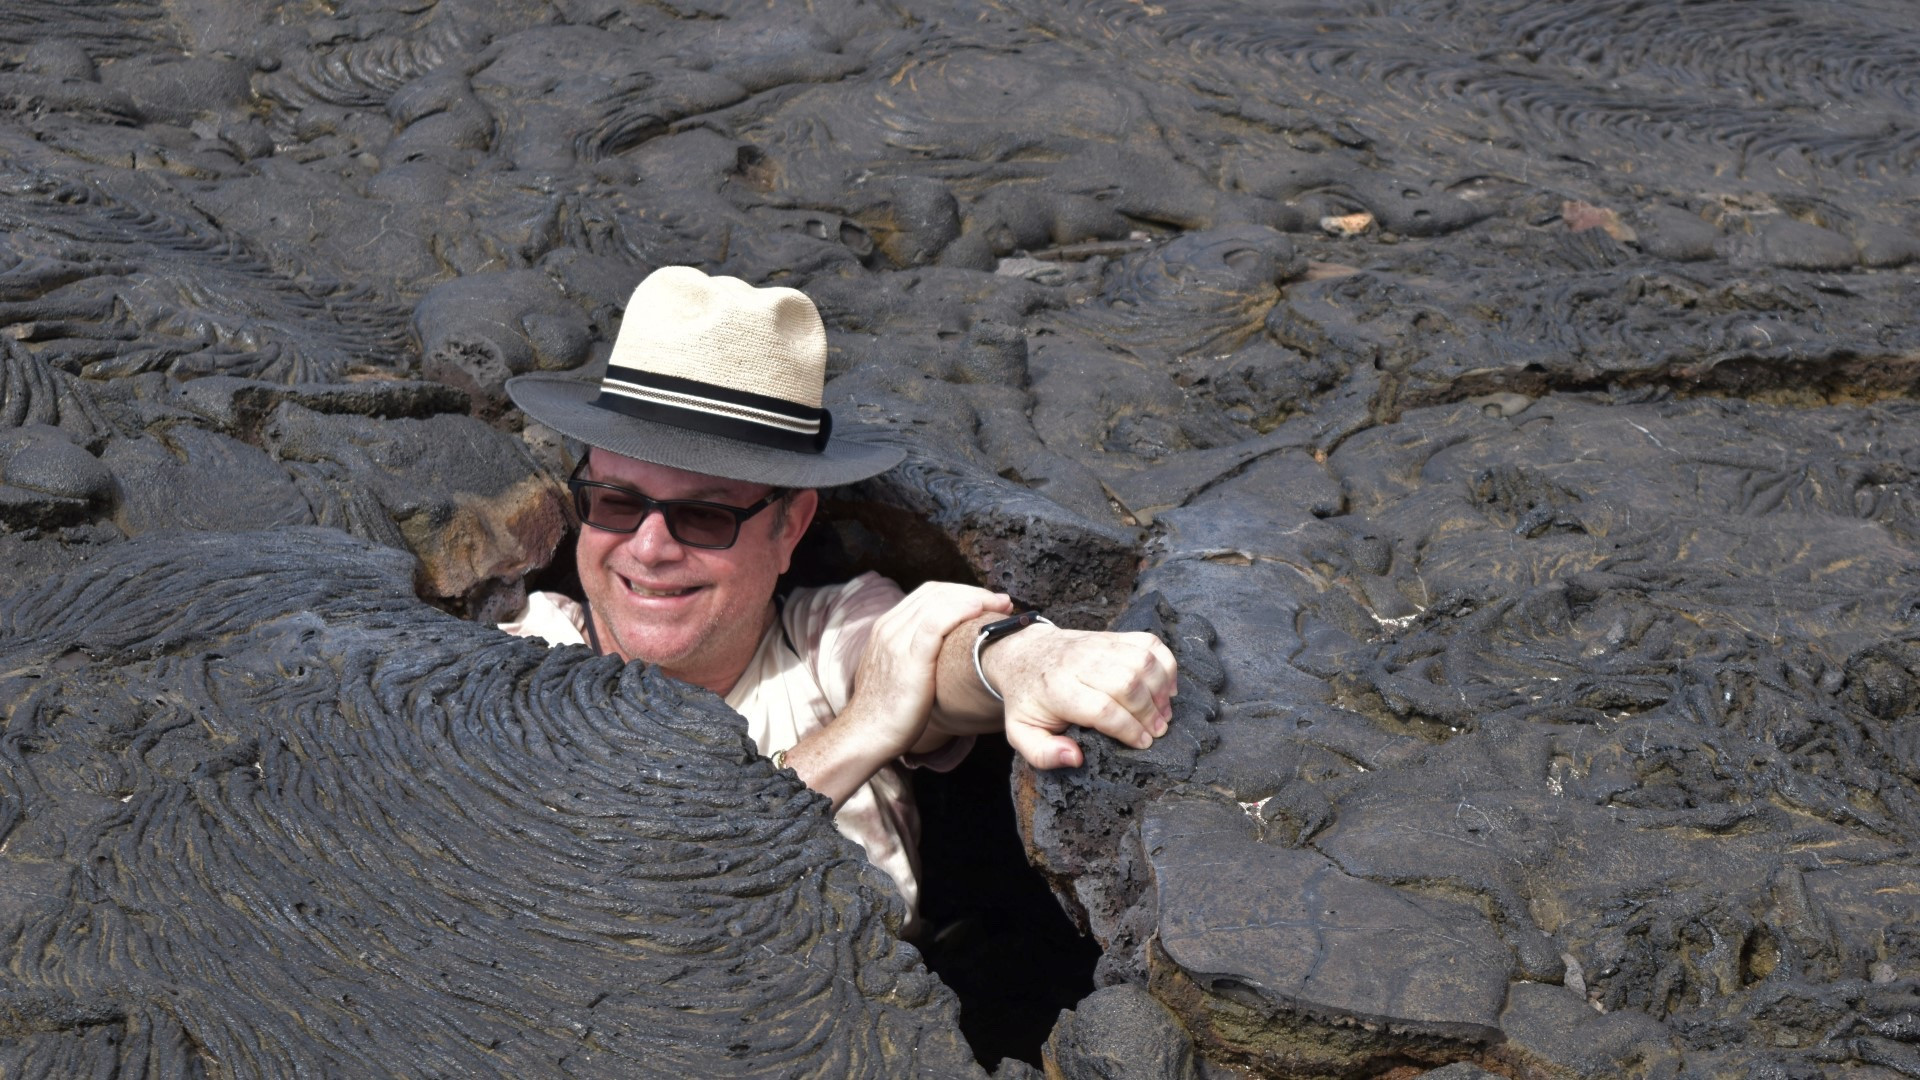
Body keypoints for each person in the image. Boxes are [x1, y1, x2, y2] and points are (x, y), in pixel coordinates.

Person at [499, 266, 1176, 932]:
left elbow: (934, 661)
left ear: (788, 528)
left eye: (703, 517)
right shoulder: (513, 657)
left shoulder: (826, 638)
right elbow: (626, 884)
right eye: (616, 502)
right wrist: (865, 727)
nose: (649, 548)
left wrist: (1035, 660)